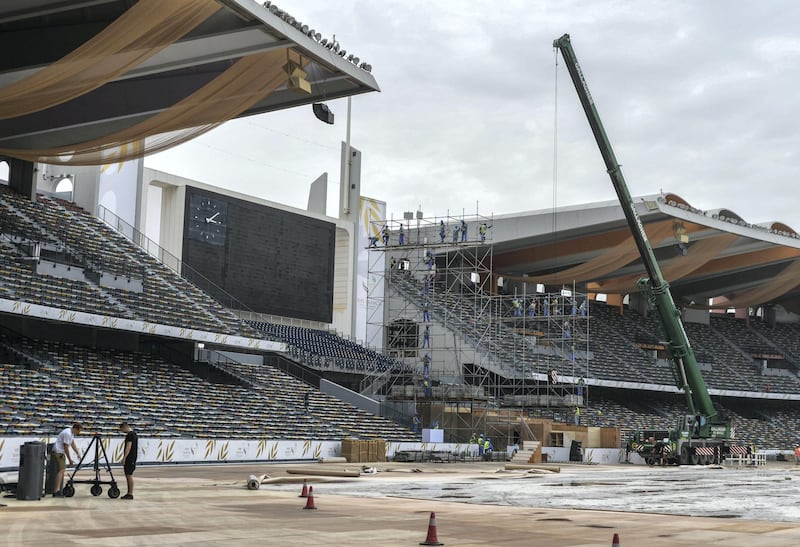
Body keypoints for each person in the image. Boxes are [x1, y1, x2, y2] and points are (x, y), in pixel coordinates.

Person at [51, 422, 82, 497]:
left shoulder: (70, 433)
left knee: (61, 470)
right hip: (59, 452)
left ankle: (57, 489)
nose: (78, 433)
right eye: (78, 431)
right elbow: (66, 448)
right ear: (75, 429)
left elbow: (72, 444)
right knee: (61, 471)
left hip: (60, 452)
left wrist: (77, 452)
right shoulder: (67, 433)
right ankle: (56, 490)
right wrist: (70, 459)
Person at [119, 422, 138, 500]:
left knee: (128, 475)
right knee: (128, 474)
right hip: (132, 457)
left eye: (122, 429)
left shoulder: (130, 435)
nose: (123, 431)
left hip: (130, 458)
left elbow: (128, 447)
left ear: (124, 427)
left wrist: (124, 457)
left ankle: (130, 493)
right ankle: (129, 493)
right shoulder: (134, 434)